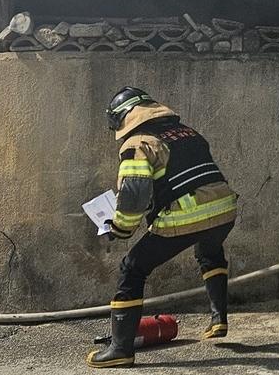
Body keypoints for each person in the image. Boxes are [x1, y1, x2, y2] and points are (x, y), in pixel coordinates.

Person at [87, 87, 239, 368]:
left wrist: (120, 229)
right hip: (224, 210)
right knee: (209, 250)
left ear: (123, 117)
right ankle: (219, 319)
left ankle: (120, 350)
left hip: (186, 215)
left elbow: (134, 196)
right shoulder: (187, 132)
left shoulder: (138, 143)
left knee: (132, 268)